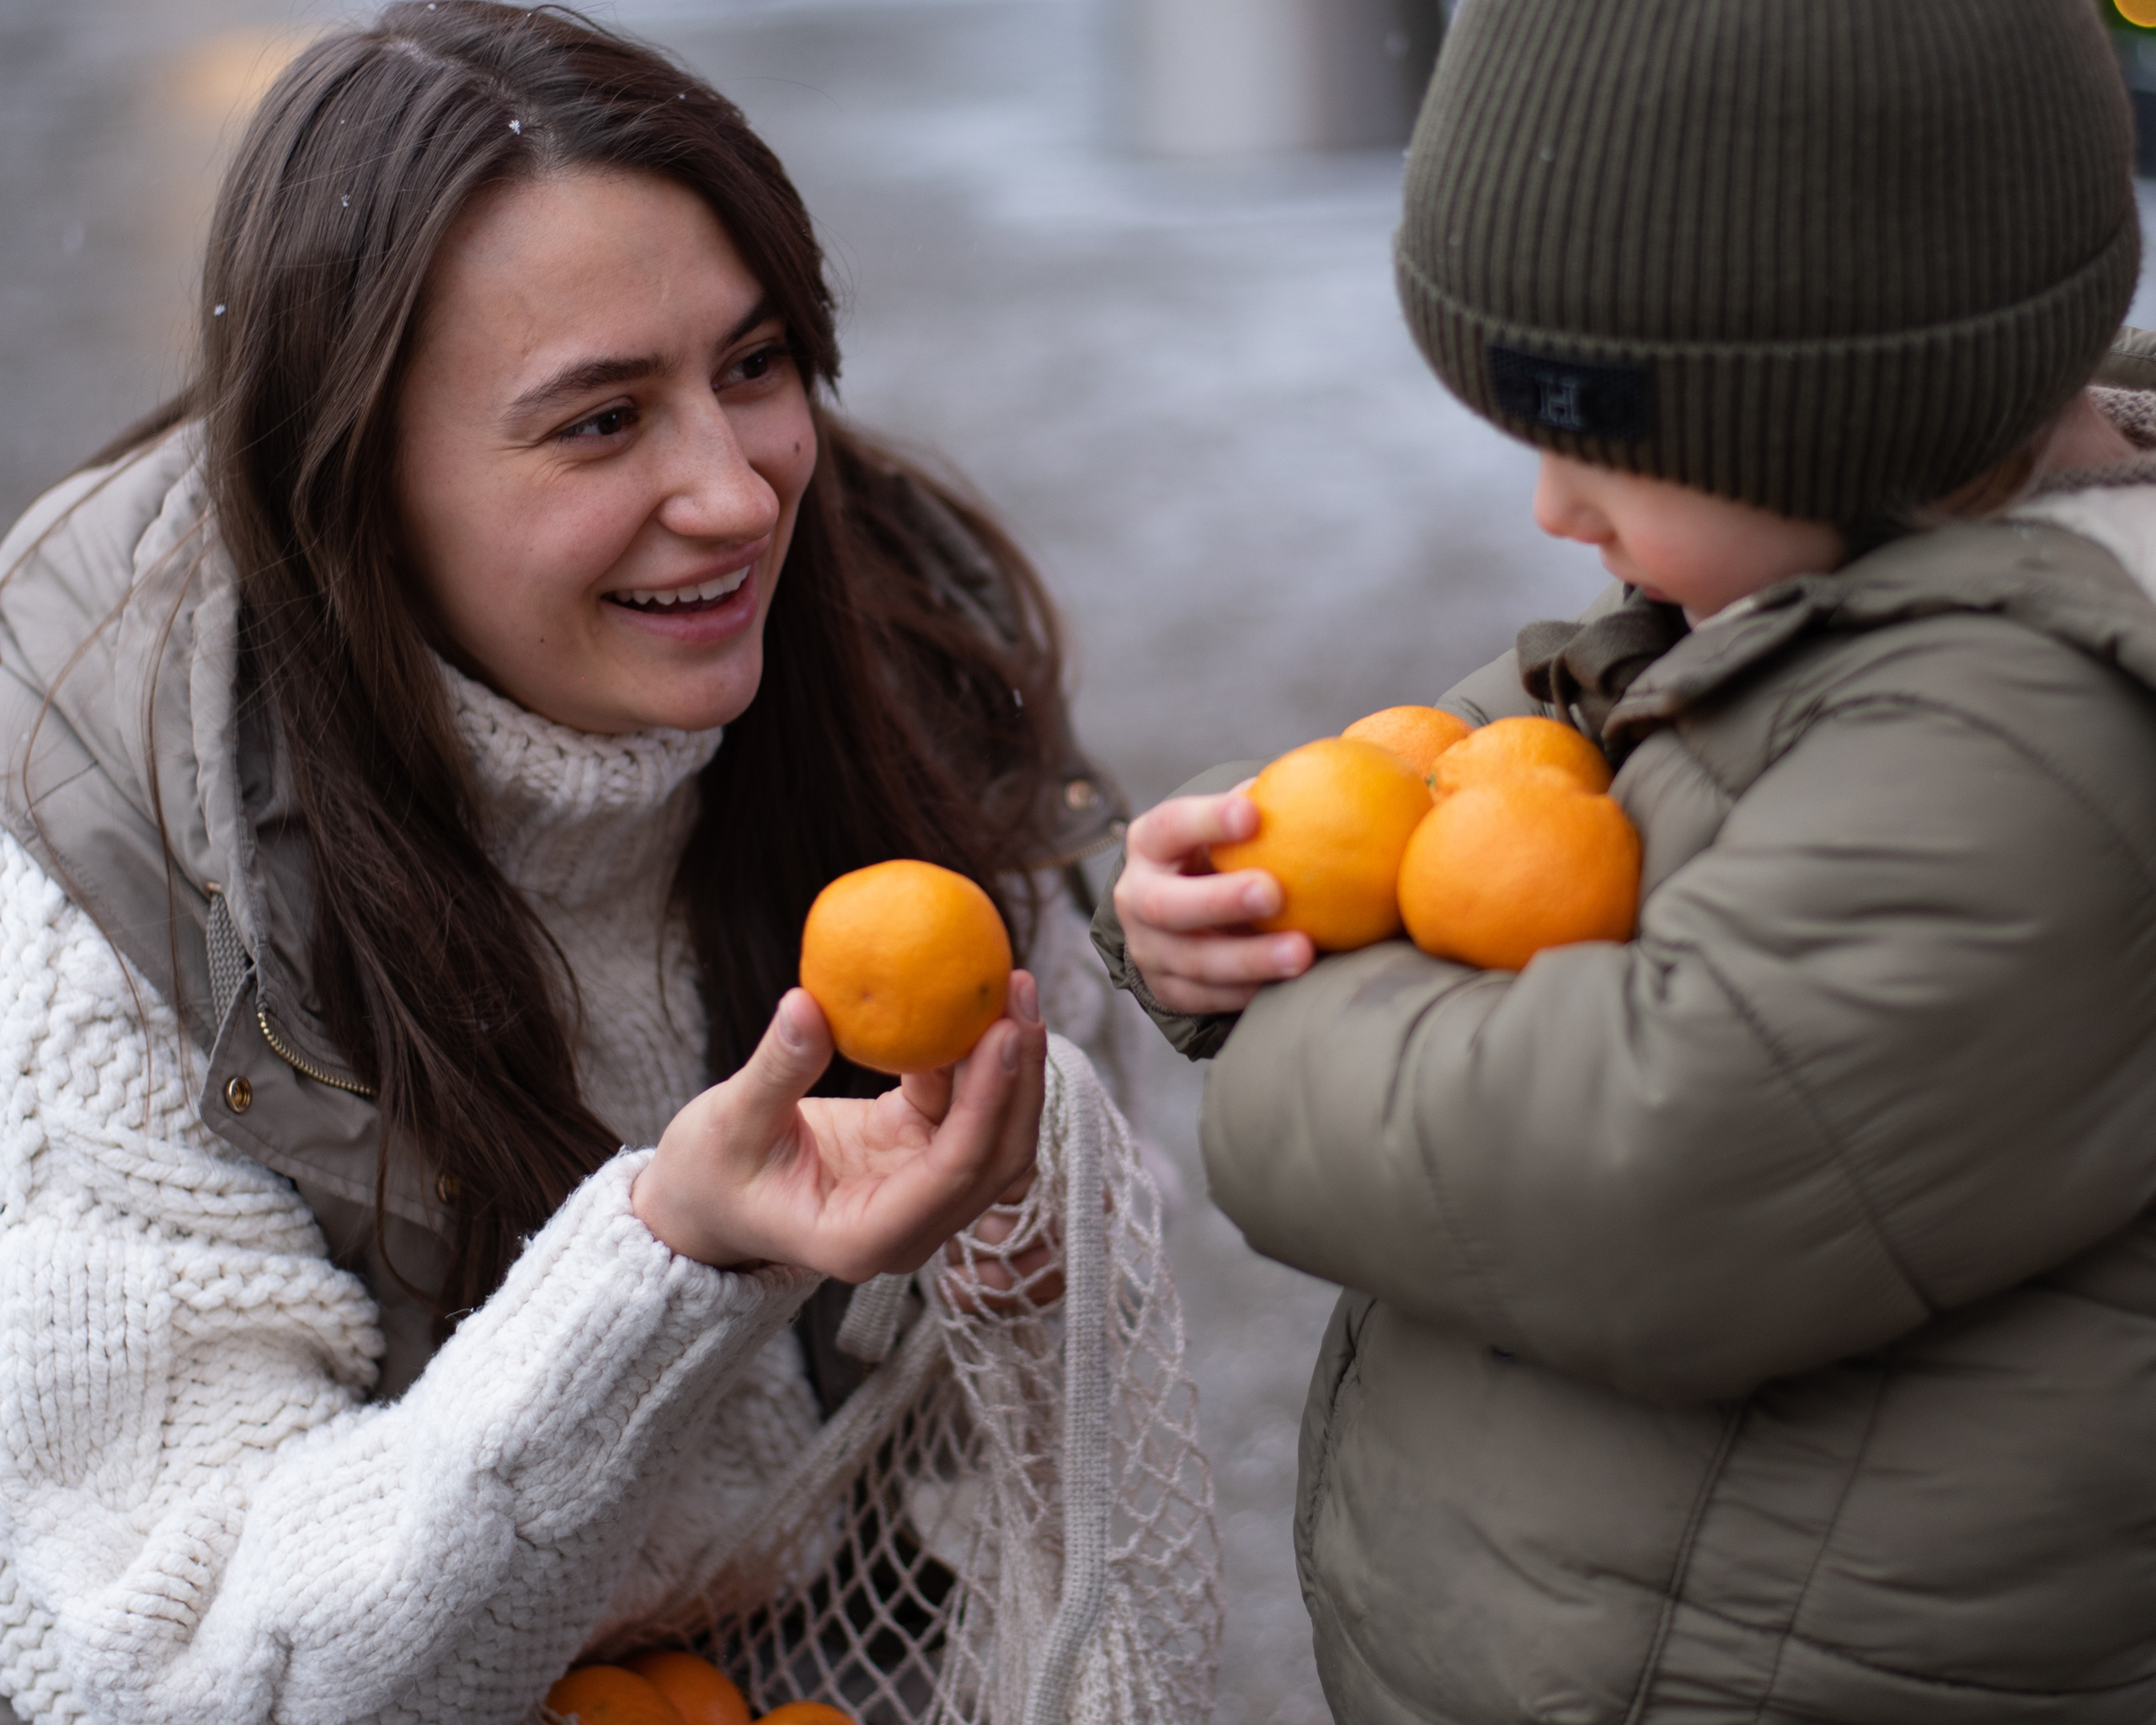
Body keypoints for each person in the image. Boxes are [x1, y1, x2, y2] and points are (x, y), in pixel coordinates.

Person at [0, 6, 1213, 1723]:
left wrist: (1013, 1248)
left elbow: (1035, 1451)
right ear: (353, 477)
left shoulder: (902, 658)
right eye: (596, 423)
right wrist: (667, 1262)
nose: (733, 495)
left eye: (755, 364)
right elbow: (170, 1676)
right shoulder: (103, 864)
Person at [1097, 1, 2156, 1717]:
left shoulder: (2037, 742)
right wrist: (1230, 873)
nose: (1546, 511)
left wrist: (1281, 1013)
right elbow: (1460, 769)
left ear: (1847, 414)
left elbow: (1638, 1176)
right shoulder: (1784, 575)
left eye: (1600, 446)